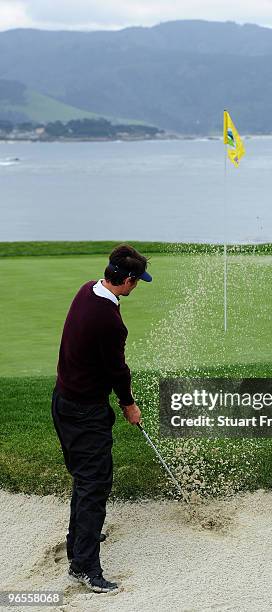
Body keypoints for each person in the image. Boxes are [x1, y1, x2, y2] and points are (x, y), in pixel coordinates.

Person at [51, 244, 152, 593]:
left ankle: (79, 538)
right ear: (126, 280)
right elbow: (117, 371)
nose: (136, 286)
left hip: (63, 400)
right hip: (84, 412)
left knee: (84, 475)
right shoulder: (110, 322)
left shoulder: (87, 288)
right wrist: (129, 405)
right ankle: (83, 567)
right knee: (95, 483)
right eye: (136, 281)